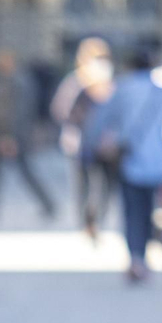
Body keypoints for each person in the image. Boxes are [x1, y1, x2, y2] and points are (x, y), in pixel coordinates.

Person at [85, 48, 162, 283]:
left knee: (132, 212)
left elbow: (99, 121)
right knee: (153, 210)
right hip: (159, 164)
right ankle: (152, 248)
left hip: (130, 160)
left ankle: (137, 258)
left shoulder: (122, 90)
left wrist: (91, 146)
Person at [50, 37, 116, 239]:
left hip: (105, 144)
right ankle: (84, 223)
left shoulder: (111, 85)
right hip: (79, 144)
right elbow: (60, 109)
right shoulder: (75, 83)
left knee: (105, 185)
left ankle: (98, 221)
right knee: (82, 184)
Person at [0, 48, 57, 220]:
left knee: (24, 171)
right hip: (1, 134)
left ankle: (48, 204)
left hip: (11, 135)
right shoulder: (6, 80)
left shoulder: (19, 82)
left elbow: (19, 112)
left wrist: (10, 136)